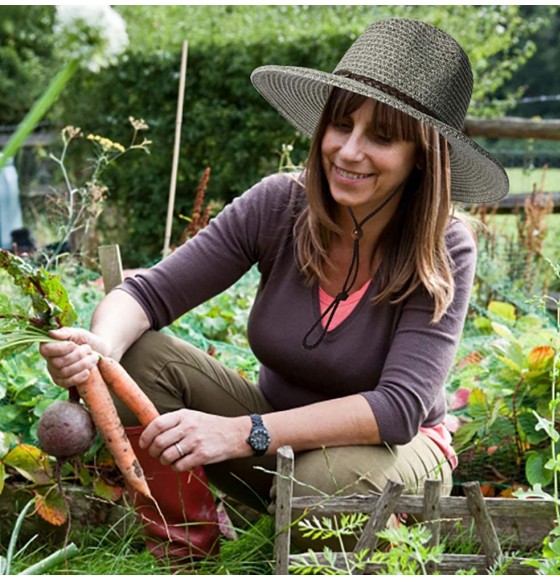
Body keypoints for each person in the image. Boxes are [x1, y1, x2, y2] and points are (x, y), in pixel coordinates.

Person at [40, 17, 509, 563]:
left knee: (316, 483)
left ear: (422, 155)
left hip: (392, 451)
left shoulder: (443, 245)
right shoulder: (279, 206)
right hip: (274, 443)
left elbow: (399, 408)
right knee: (140, 354)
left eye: (381, 136)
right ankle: (185, 554)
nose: (349, 151)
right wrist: (101, 350)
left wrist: (243, 433)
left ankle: (350, 541)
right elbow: (146, 295)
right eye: (340, 125)